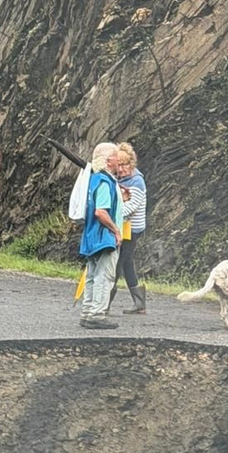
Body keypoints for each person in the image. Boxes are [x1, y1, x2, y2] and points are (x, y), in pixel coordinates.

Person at [69, 141, 122, 330]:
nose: (119, 160)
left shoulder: (93, 179)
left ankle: (87, 312)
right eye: (116, 156)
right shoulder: (106, 182)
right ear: (109, 161)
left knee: (92, 274)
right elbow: (101, 211)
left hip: (91, 235)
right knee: (104, 275)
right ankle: (97, 314)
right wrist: (116, 230)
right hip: (104, 236)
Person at [109, 143, 147, 315]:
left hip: (131, 230)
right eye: (119, 165)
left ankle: (104, 303)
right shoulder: (118, 179)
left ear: (132, 164)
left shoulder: (137, 181)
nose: (122, 169)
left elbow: (130, 207)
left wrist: (107, 215)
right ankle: (139, 304)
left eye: (125, 165)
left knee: (117, 263)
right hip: (122, 227)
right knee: (127, 263)